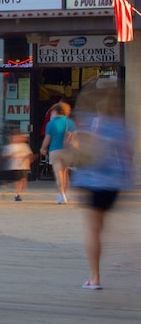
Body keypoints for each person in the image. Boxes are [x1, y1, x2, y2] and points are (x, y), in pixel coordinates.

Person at [71, 79, 134, 290]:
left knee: (93, 230)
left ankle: (95, 277)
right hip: (114, 183)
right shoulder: (120, 126)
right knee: (112, 228)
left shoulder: (90, 122)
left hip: (91, 180)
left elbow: (85, 152)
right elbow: (128, 154)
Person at [39, 101, 76, 204]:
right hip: (67, 150)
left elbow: (47, 138)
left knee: (59, 173)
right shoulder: (70, 123)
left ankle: (62, 195)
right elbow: (75, 137)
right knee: (65, 172)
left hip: (55, 150)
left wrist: (43, 148)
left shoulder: (51, 124)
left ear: (56, 111)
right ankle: (67, 192)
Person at [3, 130, 33, 201]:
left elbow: (29, 155)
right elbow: (5, 155)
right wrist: (11, 156)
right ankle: (15, 192)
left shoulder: (24, 146)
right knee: (18, 180)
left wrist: (28, 159)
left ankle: (17, 193)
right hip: (14, 166)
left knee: (21, 180)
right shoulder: (10, 146)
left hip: (23, 166)